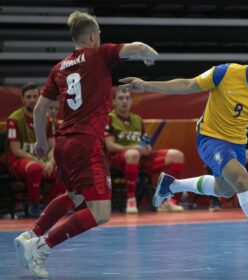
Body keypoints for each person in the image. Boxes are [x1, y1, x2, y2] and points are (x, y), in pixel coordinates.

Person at [14, 11, 158, 278]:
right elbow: (137, 48)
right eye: (99, 34)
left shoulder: (59, 67)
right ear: (92, 36)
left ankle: (29, 235)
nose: (100, 38)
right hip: (86, 144)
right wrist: (149, 56)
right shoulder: (100, 54)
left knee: (74, 196)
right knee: (100, 213)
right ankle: (41, 246)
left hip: (64, 144)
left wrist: (41, 143)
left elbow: (40, 110)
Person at [120, 46, 248, 263]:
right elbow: (188, 84)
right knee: (242, 179)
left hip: (237, 145)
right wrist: (146, 85)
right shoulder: (225, 73)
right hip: (210, 138)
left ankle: (172, 186)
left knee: (226, 190)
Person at [105, 88, 184, 213]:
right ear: (114, 102)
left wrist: (147, 148)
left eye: (127, 98)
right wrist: (133, 148)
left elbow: (143, 142)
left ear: (131, 101)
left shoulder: (137, 119)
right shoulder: (109, 118)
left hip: (140, 159)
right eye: (120, 98)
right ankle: (131, 200)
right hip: (119, 161)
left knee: (177, 155)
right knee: (133, 154)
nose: (124, 101)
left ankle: (168, 201)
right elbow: (110, 146)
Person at [6, 83, 60, 217]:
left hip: (41, 160)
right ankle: (34, 206)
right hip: (19, 161)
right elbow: (16, 150)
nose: (32, 100)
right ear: (22, 99)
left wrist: (51, 162)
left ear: (39, 98)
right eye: (28, 97)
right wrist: (39, 162)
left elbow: (53, 146)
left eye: (35, 96)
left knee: (64, 171)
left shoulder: (47, 118)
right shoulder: (14, 119)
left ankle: (47, 205)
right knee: (35, 168)